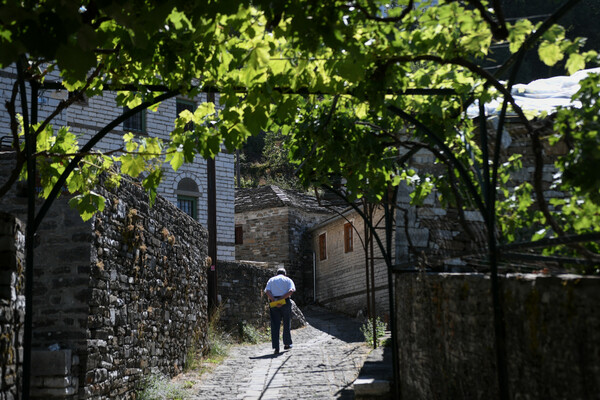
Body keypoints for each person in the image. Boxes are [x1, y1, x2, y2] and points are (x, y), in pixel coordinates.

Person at [264, 267, 296, 354]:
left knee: (275, 325)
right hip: (285, 302)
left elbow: (267, 291)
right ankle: (287, 343)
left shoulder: (271, 280)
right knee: (286, 323)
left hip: (274, 302)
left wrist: (274, 300)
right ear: (285, 274)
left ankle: (276, 347)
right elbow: (291, 290)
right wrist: (282, 299)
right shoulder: (288, 280)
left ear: (276, 274)